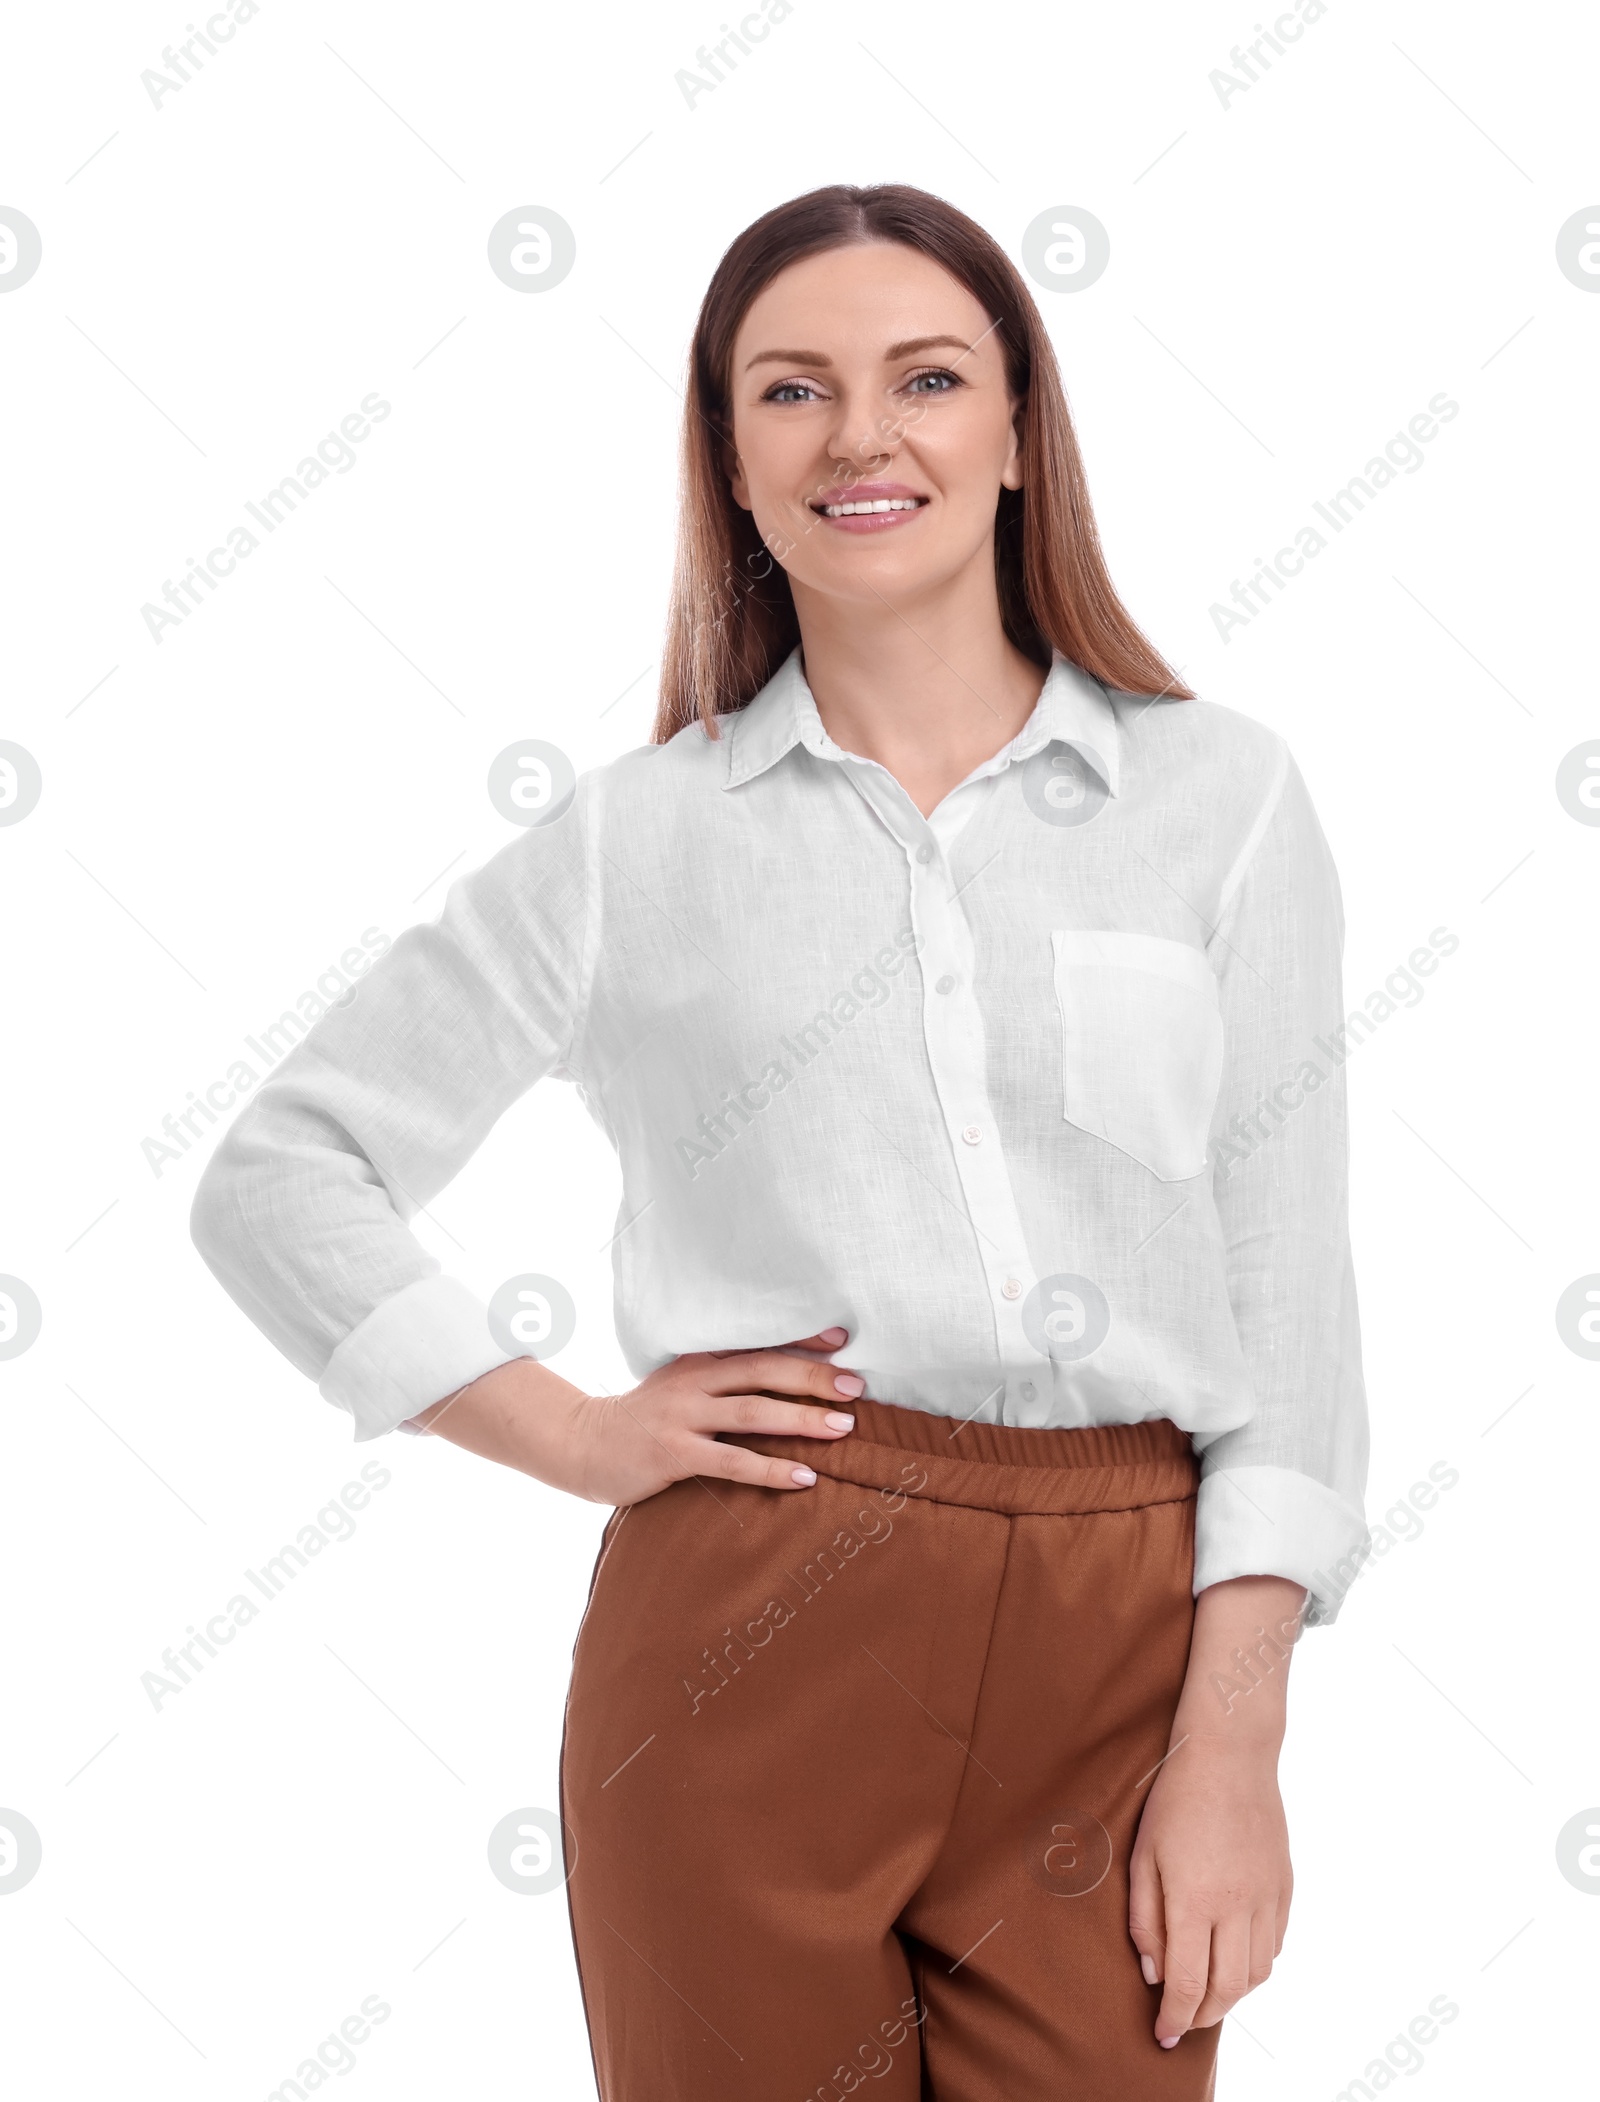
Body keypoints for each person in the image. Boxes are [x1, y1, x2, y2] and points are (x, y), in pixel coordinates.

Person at [191, 181, 1370, 2100]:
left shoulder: (1219, 801)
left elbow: (1289, 1301)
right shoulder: (630, 846)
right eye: (792, 392)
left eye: (926, 377)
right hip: (754, 1623)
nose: (863, 436)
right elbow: (282, 1173)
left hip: (1123, 1640)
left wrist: (1236, 1745)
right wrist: (571, 1427)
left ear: (1016, 432)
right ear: (731, 461)